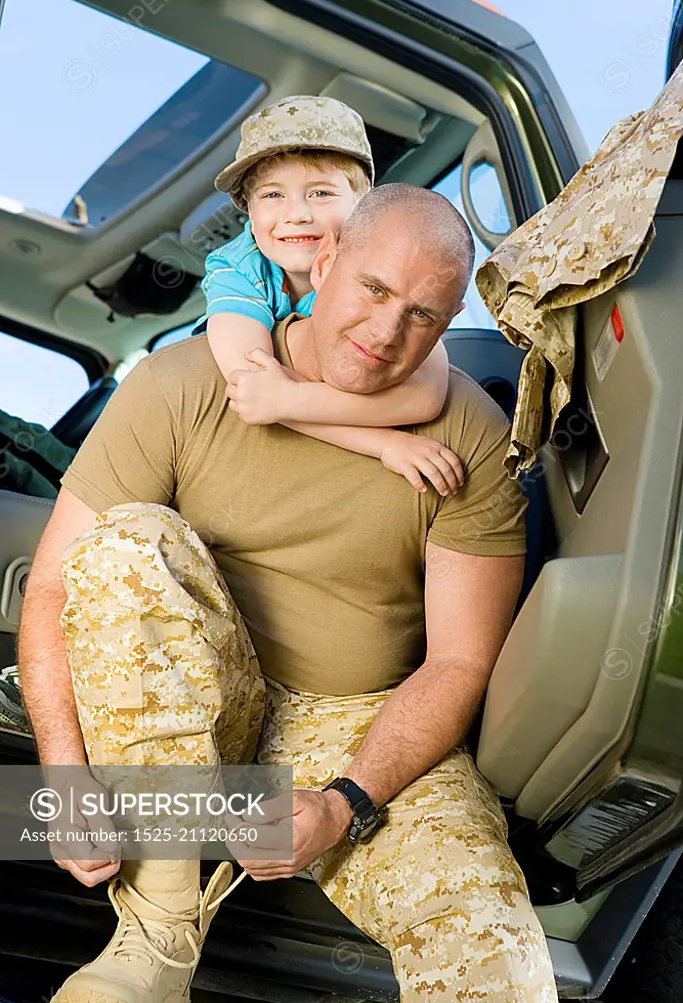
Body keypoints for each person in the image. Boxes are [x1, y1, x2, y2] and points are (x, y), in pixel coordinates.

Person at [18, 182, 558, 1002]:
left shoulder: (466, 436)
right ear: (328, 257)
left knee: (492, 942)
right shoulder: (184, 382)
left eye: (423, 316)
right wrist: (61, 782)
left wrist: (345, 803)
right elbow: (55, 584)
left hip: (356, 725)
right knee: (127, 543)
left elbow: (457, 661)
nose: (386, 333)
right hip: (182, 728)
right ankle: (160, 928)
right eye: (375, 289)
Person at [194, 94, 464, 496]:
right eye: (272, 195)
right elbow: (254, 391)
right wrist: (384, 443)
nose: (297, 213)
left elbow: (425, 395)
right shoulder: (237, 270)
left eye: (320, 193)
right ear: (249, 211)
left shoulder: (380, 283)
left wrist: (291, 398)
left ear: (362, 203)